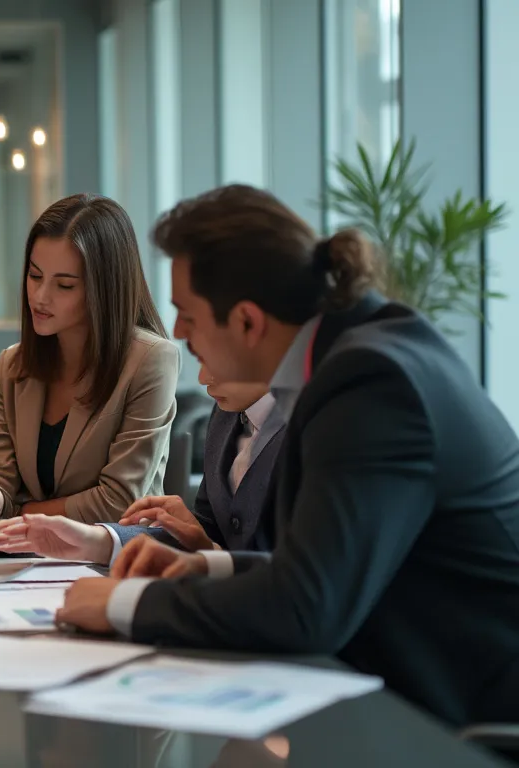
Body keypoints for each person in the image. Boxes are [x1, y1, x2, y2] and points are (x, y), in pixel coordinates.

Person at [52, 184, 519, 727]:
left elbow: (307, 607)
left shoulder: (370, 383)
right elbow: (320, 567)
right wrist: (204, 566)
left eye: (187, 314)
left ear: (248, 322)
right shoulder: (358, 355)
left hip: (459, 721)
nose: (177, 332)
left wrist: (122, 606)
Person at [0, 194, 179, 526]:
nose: (40, 297)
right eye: (34, 275)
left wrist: (21, 513)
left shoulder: (151, 360)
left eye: (64, 285)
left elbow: (118, 502)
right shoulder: (12, 366)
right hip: (24, 558)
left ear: (104, 289)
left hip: (112, 561)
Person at [0, 362, 283, 563]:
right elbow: (210, 536)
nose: (202, 377)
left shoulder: (314, 431)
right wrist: (96, 540)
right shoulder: (226, 416)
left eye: (213, 355)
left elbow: (297, 584)